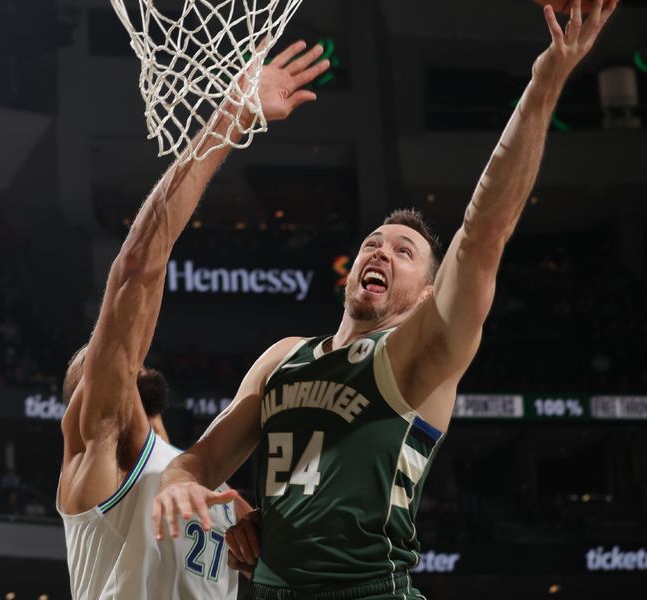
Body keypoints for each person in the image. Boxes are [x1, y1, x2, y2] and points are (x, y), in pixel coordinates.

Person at [153, 1, 619, 597]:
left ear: (428, 294)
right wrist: (187, 487)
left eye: (403, 252)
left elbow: (483, 232)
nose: (380, 252)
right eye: (374, 243)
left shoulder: (418, 357)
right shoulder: (283, 358)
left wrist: (544, 82)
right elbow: (197, 462)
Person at [56, 40, 331, 600]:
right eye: (89, 364)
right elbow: (137, 268)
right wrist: (233, 114)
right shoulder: (103, 449)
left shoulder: (208, 489)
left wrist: (268, 545)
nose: (100, 352)